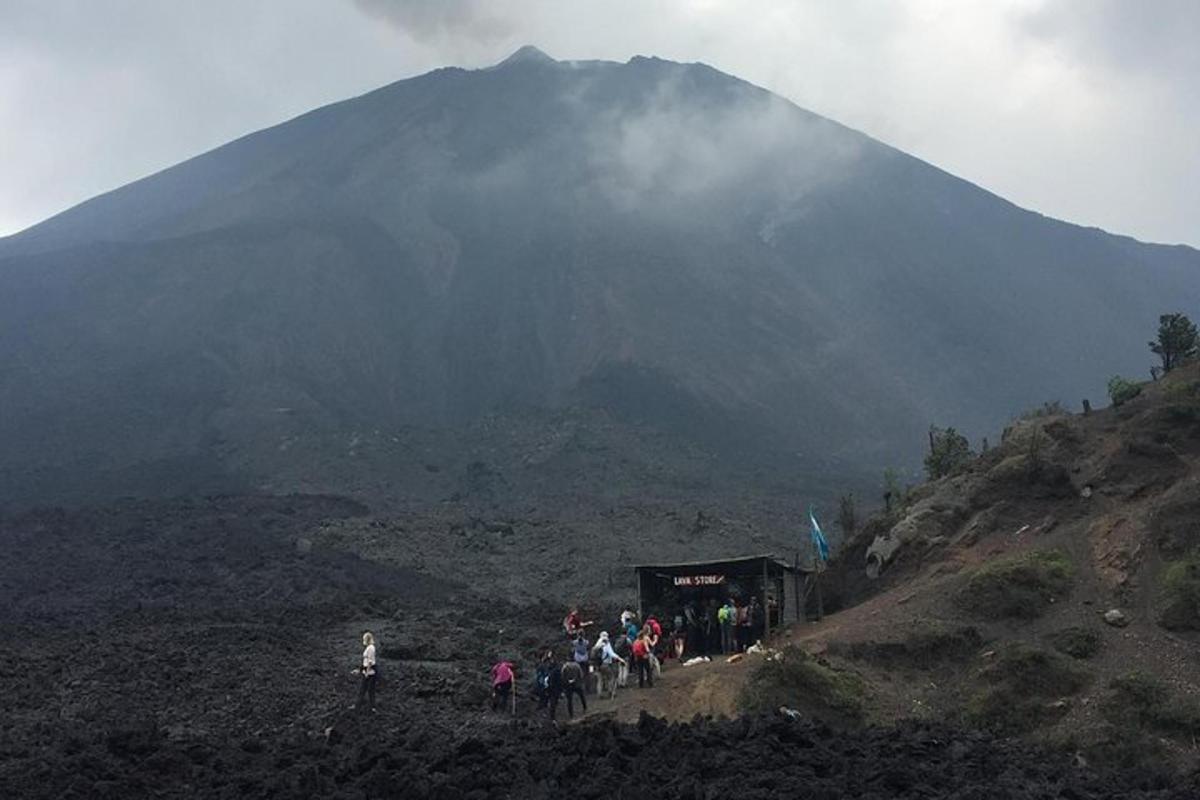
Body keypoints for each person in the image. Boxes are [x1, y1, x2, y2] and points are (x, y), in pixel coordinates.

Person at [592, 631, 625, 699]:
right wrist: (620, 658)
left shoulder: (597, 644)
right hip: (605, 664)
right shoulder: (606, 643)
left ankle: (599, 694)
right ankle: (610, 692)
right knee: (611, 677)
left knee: (600, 680)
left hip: (597, 664)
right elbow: (611, 654)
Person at [355, 631, 378, 712]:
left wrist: (367, 672)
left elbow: (370, 662)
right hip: (366, 671)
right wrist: (360, 670)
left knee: (370, 689)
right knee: (363, 689)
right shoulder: (369, 647)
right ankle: (358, 705)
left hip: (371, 672)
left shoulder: (371, 648)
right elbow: (365, 660)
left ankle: (373, 707)